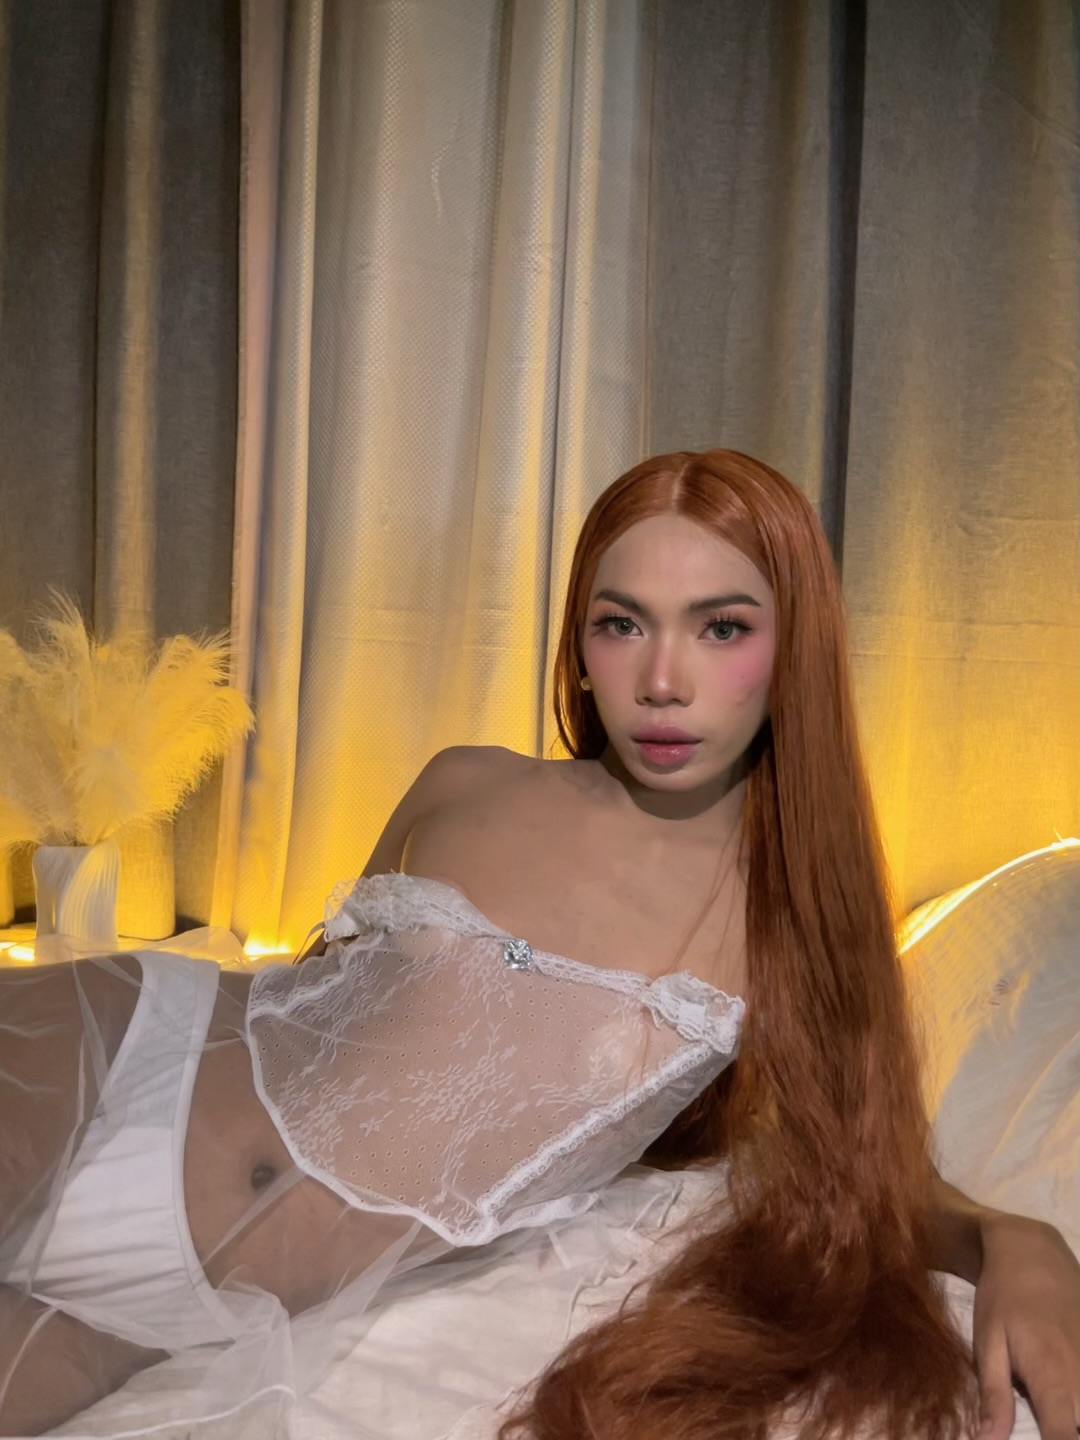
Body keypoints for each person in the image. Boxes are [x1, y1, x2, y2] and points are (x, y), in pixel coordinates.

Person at [1, 449, 1078, 1440]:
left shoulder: (789, 919)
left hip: (214, 1292)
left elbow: (877, 1174)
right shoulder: (466, 781)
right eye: (623, 624)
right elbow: (316, 999)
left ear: (794, 646)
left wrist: (1013, 1239)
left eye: (720, 628)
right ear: (580, 645)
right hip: (109, 1061)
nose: (663, 679)